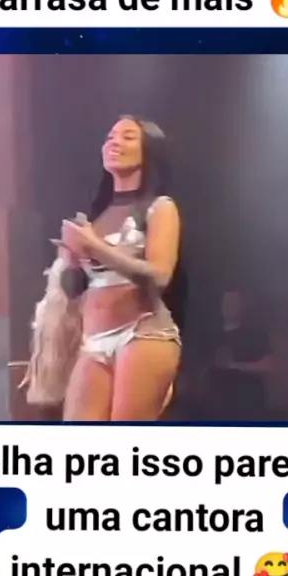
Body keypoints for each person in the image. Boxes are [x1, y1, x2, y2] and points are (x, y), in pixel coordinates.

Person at [57, 116, 183, 421]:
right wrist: (71, 259)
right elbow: (75, 289)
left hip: (142, 333)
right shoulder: (97, 216)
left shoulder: (160, 207)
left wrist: (95, 246)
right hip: (94, 341)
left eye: (127, 136)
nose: (114, 142)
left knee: (124, 440)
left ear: (148, 151)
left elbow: (160, 276)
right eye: (110, 136)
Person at [206, 288, 273, 420]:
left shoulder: (255, 335)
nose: (229, 306)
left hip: (248, 408)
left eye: (234, 302)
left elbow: (270, 365)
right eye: (226, 302)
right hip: (216, 409)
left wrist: (234, 365)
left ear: (242, 305)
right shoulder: (211, 336)